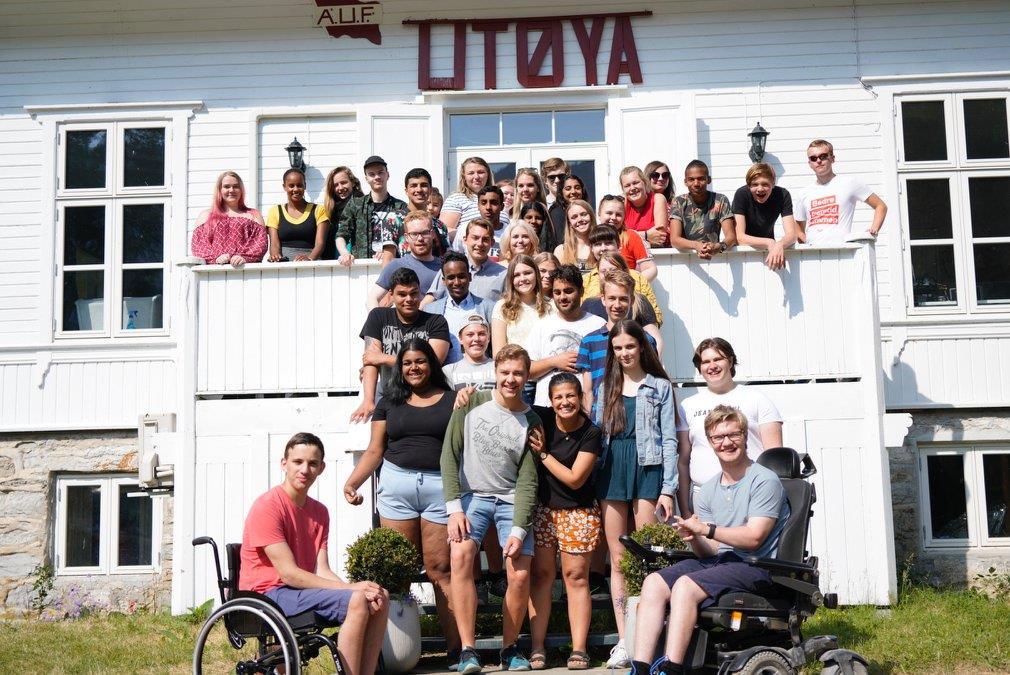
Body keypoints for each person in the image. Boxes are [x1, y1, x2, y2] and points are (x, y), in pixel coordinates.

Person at [631, 406, 788, 675]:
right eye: (718, 437)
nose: (726, 442)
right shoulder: (709, 489)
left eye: (733, 434)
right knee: (654, 582)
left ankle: (672, 669)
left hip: (758, 566)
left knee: (685, 585)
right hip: (722, 562)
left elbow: (753, 537)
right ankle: (641, 668)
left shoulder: (765, 480)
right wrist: (695, 538)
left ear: (744, 436)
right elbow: (710, 550)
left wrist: (708, 529)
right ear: (710, 442)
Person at [341, 341, 460, 668]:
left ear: (430, 364)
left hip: (439, 488)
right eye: (407, 363)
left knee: (441, 570)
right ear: (400, 367)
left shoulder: (452, 400)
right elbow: (374, 450)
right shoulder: (388, 402)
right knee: (397, 574)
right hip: (397, 489)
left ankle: (457, 650)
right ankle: (395, 654)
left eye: (420, 361)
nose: (414, 368)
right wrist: (352, 483)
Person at [239, 432, 389, 675]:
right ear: (284, 464)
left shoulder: (319, 512)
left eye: (312, 463)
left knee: (379, 597)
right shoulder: (268, 506)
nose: (305, 469)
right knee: (358, 597)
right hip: (267, 595)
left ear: (321, 468)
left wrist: (356, 588)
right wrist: (353, 591)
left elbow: (322, 569)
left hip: (297, 592)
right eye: (298, 462)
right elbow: (289, 575)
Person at [441, 344, 543, 674]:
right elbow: (449, 456)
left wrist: (517, 529)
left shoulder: (532, 419)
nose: (510, 379)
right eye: (505, 372)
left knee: (520, 571)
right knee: (460, 556)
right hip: (472, 497)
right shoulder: (470, 402)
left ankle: (509, 648)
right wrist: (455, 509)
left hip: (511, 500)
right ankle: (468, 650)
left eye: (518, 373)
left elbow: (528, 480)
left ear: (527, 376)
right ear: (494, 373)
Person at [592, 320, 679, 669]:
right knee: (617, 557)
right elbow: (597, 435)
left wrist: (668, 489)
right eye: (618, 348)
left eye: (630, 346)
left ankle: (647, 636)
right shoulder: (606, 386)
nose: (624, 353)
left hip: (648, 467)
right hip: (613, 467)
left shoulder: (659, 386)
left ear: (641, 347)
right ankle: (625, 639)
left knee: (643, 554)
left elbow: (670, 439)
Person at [526, 373, 602, 671]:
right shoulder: (542, 417)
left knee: (576, 578)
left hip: (578, 512)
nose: (564, 402)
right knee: (542, 576)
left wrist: (543, 453)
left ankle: (579, 649)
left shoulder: (591, 433)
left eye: (570, 396)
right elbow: (511, 397)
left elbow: (575, 478)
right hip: (545, 511)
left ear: (580, 398)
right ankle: (537, 648)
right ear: (551, 400)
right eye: (558, 397)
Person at [676, 338, 782, 517]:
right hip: (703, 499)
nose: (712, 366)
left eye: (718, 359)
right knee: (707, 545)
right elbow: (683, 462)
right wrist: (685, 509)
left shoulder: (757, 399)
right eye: (706, 361)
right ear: (699, 367)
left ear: (731, 361)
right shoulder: (687, 406)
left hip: (751, 493)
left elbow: (776, 458)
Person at [352, 267, 450, 422]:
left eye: (413, 293)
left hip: (426, 398)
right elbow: (370, 360)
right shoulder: (378, 316)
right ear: (391, 294)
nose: (409, 299)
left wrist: (384, 358)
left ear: (420, 293)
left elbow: (434, 362)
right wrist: (368, 401)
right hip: (390, 397)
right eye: (402, 294)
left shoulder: (436, 322)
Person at [578, 269, 662, 411]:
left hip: (638, 416)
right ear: (603, 299)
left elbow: (654, 382)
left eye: (623, 299)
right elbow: (588, 391)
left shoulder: (646, 340)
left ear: (632, 300)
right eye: (612, 298)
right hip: (602, 420)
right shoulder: (589, 342)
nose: (617, 305)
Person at [525, 265, 606, 407]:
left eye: (568, 291)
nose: (562, 297)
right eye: (557, 292)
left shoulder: (598, 324)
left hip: (587, 408)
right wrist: (554, 362)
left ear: (581, 291)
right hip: (548, 408)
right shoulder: (542, 326)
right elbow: (527, 370)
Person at [795, 139, 888, 245]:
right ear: (810, 163)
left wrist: (873, 231)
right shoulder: (803, 193)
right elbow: (798, 228)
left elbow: (881, 206)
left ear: (832, 159)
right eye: (813, 158)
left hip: (842, 252)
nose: (819, 161)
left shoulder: (849, 183)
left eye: (823, 156)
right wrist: (807, 244)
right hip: (814, 254)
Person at [335, 156, 408, 268]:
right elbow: (341, 234)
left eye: (380, 172)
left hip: (392, 267)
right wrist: (345, 253)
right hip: (361, 268)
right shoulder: (355, 204)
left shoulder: (400, 207)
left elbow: (405, 239)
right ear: (366, 178)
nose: (377, 177)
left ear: (387, 175)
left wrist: (389, 253)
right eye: (372, 174)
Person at [425, 251, 494, 364]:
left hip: (480, 376)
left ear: (470, 277)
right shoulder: (431, 310)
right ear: (444, 281)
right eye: (451, 277)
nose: (457, 282)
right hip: (443, 377)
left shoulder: (487, 308)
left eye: (461, 276)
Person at [367, 211, 443, 309]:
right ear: (406, 237)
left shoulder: (445, 267)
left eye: (424, 233)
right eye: (414, 234)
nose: (420, 238)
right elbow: (372, 299)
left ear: (432, 234)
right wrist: (378, 322)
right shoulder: (396, 266)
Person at [191, 170, 267, 266]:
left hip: (245, 272)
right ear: (220, 190)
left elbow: (260, 244)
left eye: (236, 186)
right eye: (227, 186)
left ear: (241, 190)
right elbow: (198, 246)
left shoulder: (254, 215)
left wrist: (243, 257)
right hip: (213, 275)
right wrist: (217, 258)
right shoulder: (205, 216)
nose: (231, 190)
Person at [424, 218, 507, 304]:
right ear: (465, 239)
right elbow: (431, 298)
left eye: (485, 239)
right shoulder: (450, 268)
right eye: (475, 238)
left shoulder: (503, 274)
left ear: (492, 243)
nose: (480, 244)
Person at [732, 163, 798, 271]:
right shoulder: (741, 194)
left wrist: (780, 244)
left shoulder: (782, 195)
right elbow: (739, 237)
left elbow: (792, 235)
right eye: (755, 184)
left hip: (769, 252)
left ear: (773, 183)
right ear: (749, 186)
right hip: (743, 253)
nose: (760, 189)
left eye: (765, 184)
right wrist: (770, 242)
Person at [669, 160, 737, 259]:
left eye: (701, 179)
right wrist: (696, 245)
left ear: (708, 180)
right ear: (685, 182)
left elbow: (731, 237)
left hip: (716, 258)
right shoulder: (679, 202)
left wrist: (718, 247)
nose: (696, 183)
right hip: (685, 260)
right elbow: (674, 240)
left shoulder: (720, 200)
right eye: (691, 179)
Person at [491, 254, 554, 358]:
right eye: (516, 275)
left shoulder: (551, 306)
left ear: (536, 275)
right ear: (511, 279)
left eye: (527, 273)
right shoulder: (502, 307)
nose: (523, 278)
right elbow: (498, 354)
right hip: (515, 368)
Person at [265, 168, 329, 262]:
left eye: (299, 185)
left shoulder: (318, 210)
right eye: (291, 186)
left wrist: (309, 259)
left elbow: (320, 243)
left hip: (312, 265)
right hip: (284, 265)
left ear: (305, 186)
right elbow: (274, 243)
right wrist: (276, 257)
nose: (295, 189)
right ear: (284, 187)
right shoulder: (275, 211)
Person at [583, 250, 663, 325]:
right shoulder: (590, 304)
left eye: (613, 270)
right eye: (603, 271)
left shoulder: (640, 302)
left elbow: (653, 334)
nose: (607, 274)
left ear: (624, 271)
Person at [441, 157, 509, 244]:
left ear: (488, 174)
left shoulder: (498, 197)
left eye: (481, 172)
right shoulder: (456, 199)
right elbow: (444, 230)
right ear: (464, 176)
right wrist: (473, 237)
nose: (476, 177)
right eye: (471, 173)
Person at [597, 195, 656, 278]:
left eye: (618, 214)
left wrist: (630, 286)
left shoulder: (631, 236)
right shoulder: (592, 236)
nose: (613, 217)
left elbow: (650, 269)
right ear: (599, 214)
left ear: (624, 216)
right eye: (609, 213)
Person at [403, 168, 450, 256]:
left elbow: (445, 257)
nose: (419, 189)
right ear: (406, 191)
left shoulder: (440, 226)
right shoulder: (393, 221)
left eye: (424, 185)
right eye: (413, 185)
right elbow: (388, 259)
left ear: (430, 190)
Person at [451, 184, 508, 258]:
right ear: (478, 206)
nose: (488, 207)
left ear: (502, 206)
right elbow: (456, 257)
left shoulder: (509, 232)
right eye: (483, 203)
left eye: (493, 203)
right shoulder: (465, 229)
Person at [443, 315, 497, 391]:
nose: (476, 339)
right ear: (460, 338)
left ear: (488, 338)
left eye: (481, 334)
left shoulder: (498, 368)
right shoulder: (449, 371)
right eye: (470, 335)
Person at [621, 166, 670, 248]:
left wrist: (627, 236)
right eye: (627, 185)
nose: (632, 188)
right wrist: (646, 235)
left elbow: (660, 236)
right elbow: (615, 237)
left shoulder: (657, 199)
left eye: (636, 183)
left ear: (645, 182)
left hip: (657, 255)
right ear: (623, 189)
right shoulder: (622, 204)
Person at [322, 166, 363, 260]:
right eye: (336, 185)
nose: (340, 188)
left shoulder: (362, 204)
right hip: (335, 260)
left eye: (344, 182)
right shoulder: (331, 209)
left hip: (356, 259)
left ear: (352, 182)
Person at [512, 168, 555, 251]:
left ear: (538, 188)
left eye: (530, 185)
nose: (525, 189)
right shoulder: (513, 214)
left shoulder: (545, 212)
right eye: (521, 186)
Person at [554, 199, 596, 271]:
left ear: (591, 216)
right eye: (574, 217)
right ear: (570, 223)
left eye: (583, 214)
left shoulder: (601, 247)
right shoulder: (561, 251)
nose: (580, 219)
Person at [549, 174, 587, 246]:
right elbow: (561, 242)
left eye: (577, 188)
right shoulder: (557, 212)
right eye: (568, 188)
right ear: (561, 192)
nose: (573, 191)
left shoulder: (586, 210)